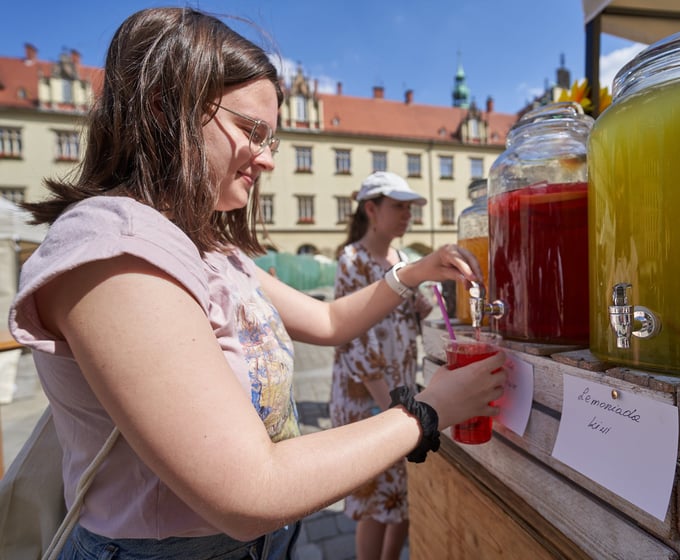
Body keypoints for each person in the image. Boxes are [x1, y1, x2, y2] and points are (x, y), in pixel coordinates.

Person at [7, 8, 506, 560]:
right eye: (252, 131)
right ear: (164, 109)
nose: (267, 160)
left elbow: (329, 320)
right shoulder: (115, 248)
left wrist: (414, 270)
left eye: (272, 139)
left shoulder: (207, 247)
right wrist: (427, 412)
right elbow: (250, 491)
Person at [331, 171, 434, 560]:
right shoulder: (353, 260)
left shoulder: (403, 259)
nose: (407, 214)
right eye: (398, 206)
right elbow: (354, 339)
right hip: (369, 399)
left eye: (410, 208)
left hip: (399, 392)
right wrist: (393, 406)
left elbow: (410, 319)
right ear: (371, 210)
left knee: (402, 488)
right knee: (374, 499)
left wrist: (425, 307)